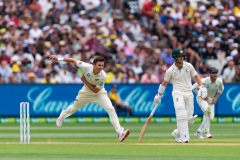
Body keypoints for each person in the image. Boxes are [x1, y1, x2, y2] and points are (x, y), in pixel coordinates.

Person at [48, 55, 130, 142]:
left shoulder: (103, 76)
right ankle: (62, 117)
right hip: (85, 93)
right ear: (94, 65)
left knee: (111, 109)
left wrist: (84, 81)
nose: (101, 67)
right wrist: (58, 59)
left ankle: (119, 132)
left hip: (99, 94)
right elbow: (72, 60)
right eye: (99, 65)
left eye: (102, 65)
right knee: (74, 108)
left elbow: (95, 90)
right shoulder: (86, 67)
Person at [153, 48, 207, 143]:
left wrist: (201, 87)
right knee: (182, 114)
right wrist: (159, 95)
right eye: (179, 56)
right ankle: (184, 137)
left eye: (182, 56)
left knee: (189, 118)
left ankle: (177, 133)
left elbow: (196, 76)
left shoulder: (189, 66)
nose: (182, 58)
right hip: (177, 92)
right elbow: (164, 83)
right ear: (174, 58)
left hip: (189, 92)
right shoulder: (170, 70)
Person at [192, 67, 224, 139]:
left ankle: (198, 131)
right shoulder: (204, 81)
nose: (215, 75)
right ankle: (207, 132)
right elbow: (193, 87)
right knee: (207, 111)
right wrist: (200, 95)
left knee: (211, 117)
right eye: (213, 73)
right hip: (201, 99)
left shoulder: (219, 81)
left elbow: (221, 90)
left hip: (210, 99)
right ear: (209, 74)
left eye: (216, 73)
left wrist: (215, 98)